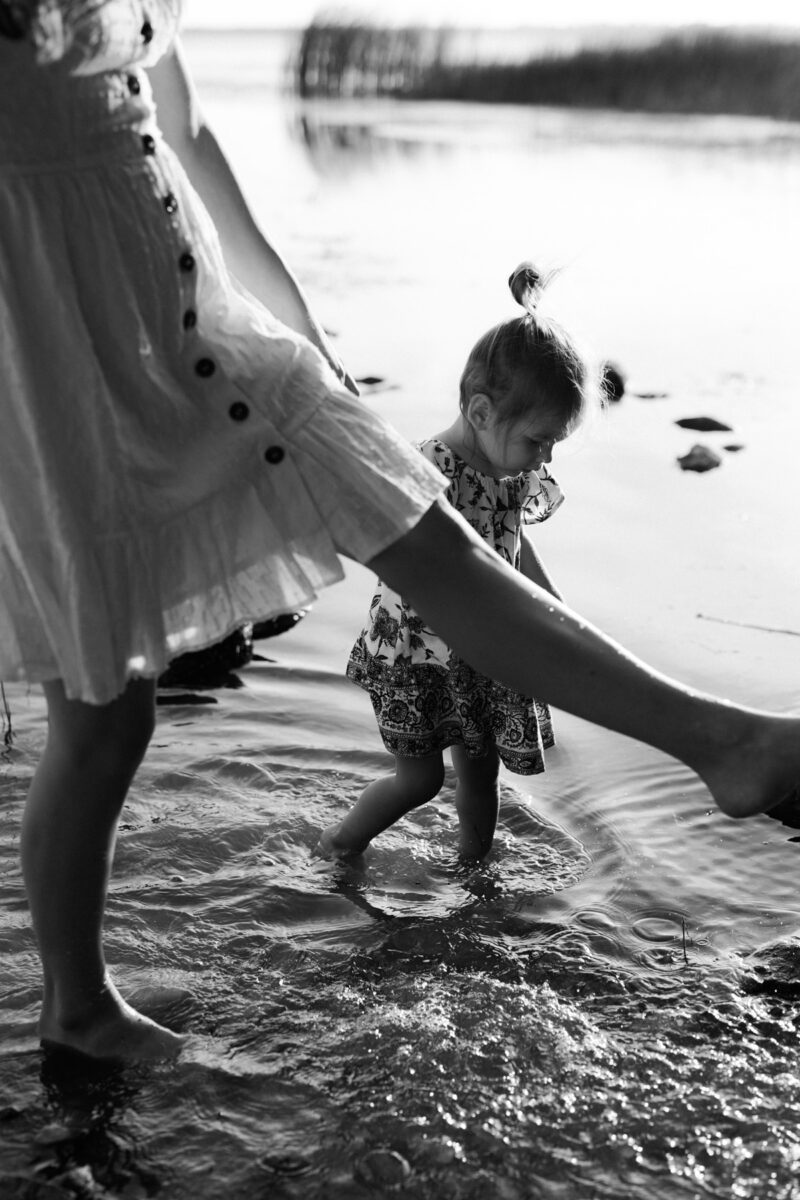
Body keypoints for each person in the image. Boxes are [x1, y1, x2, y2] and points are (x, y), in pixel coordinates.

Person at [2, 1, 800, 1064]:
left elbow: (183, 129)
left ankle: (730, 746)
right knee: (108, 713)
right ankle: (79, 1010)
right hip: (46, 324)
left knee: (429, 543)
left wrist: (305, 335)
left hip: (183, 294)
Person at [320, 265, 588, 860]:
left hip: (483, 652)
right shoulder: (427, 470)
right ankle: (338, 845)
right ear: (482, 411)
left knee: (482, 772)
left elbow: (515, 543)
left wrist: (555, 609)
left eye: (554, 443)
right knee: (420, 780)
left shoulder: (511, 471)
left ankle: (473, 872)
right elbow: (398, 554)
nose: (545, 456)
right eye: (539, 439)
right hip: (417, 653)